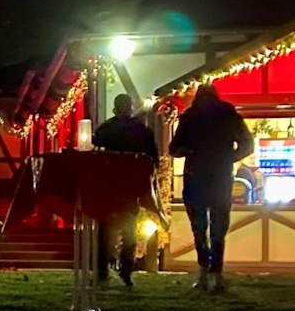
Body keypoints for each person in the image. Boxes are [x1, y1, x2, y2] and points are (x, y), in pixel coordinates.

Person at [168, 83, 253, 293]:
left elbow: (173, 148)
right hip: (220, 176)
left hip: (195, 176)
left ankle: (204, 270)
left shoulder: (190, 117)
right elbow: (247, 144)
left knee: (199, 228)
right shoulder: (228, 115)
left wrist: (189, 151)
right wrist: (229, 158)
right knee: (218, 228)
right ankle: (216, 273)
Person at [91, 93, 161, 286]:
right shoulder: (141, 130)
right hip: (130, 186)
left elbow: (94, 148)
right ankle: (126, 269)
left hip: (108, 185)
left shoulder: (105, 129)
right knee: (129, 228)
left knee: (104, 229)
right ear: (130, 107)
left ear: (115, 107)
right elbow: (153, 159)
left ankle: (102, 269)